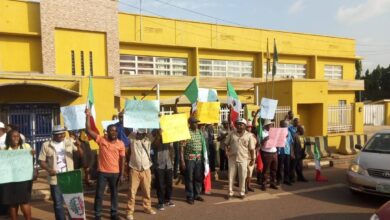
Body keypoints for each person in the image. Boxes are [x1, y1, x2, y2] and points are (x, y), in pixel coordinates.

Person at [85, 109, 125, 220]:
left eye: (115, 131)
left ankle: (114, 214)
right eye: (111, 131)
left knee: (114, 195)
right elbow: (88, 130)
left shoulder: (120, 144)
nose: (114, 132)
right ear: (107, 132)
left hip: (115, 174)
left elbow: (123, 160)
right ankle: (97, 215)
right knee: (99, 195)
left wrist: (122, 174)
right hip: (102, 173)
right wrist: (88, 115)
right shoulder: (101, 140)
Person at [39, 125, 83, 220]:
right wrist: (49, 169)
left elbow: (81, 155)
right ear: (54, 135)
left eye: (63, 133)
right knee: (58, 204)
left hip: (69, 177)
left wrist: (79, 146)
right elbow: (41, 161)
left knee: (72, 201)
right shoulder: (46, 145)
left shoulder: (68, 142)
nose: (62, 136)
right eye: (59, 134)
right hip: (56, 178)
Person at [0, 129, 34, 220]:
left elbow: (31, 160)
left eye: (18, 136)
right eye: (14, 136)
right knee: (12, 203)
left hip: (24, 179)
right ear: (9, 138)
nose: (16, 138)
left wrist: (32, 154)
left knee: (24, 202)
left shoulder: (26, 147)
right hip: (9, 180)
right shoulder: (4, 150)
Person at [125, 129, 156, 220]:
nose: (139, 135)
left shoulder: (149, 138)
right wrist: (126, 117)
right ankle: (129, 212)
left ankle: (147, 208)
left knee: (147, 190)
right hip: (134, 169)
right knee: (132, 192)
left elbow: (157, 131)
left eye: (141, 133)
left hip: (146, 169)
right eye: (138, 133)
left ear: (145, 133)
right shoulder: (133, 138)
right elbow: (126, 130)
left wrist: (157, 119)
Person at [224, 118, 256, 199]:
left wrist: (252, 159)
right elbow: (225, 144)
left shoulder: (249, 135)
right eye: (238, 124)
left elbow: (252, 149)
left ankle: (242, 192)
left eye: (241, 124)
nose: (239, 126)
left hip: (243, 159)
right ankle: (230, 192)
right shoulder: (231, 134)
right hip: (232, 158)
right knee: (231, 176)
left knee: (242, 176)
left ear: (245, 126)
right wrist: (226, 151)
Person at [180, 117, 206, 205]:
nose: (196, 124)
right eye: (194, 123)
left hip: (199, 159)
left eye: (197, 123)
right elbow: (182, 148)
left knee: (198, 177)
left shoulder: (199, 132)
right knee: (189, 178)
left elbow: (203, 145)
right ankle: (190, 196)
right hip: (189, 159)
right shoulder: (186, 133)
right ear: (190, 123)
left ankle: (196, 194)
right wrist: (182, 161)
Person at [151, 129, 175, 211]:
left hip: (168, 165)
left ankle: (167, 200)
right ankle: (160, 203)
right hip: (159, 166)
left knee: (169, 184)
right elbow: (153, 147)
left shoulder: (169, 139)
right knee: (160, 185)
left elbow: (172, 150)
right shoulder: (155, 140)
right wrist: (159, 135)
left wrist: (172, 162)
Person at [260, 120, 278, 191]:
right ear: (266, 126)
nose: (271, 126)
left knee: (274, 169)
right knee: (266, 169)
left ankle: (273, 183)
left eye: (271, 125)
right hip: (266, 153)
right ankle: (264, 184)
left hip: (274, 152)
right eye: (270, 125)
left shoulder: (274, 132)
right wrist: (264, 139)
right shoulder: (262, 132)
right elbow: (259, 143)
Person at [276, 120, 293, 186]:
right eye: (284, 125)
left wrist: (292, 153)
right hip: (280, 152)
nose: (286, 126)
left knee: (287, 166)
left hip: (287, 151)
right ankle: (279, 180)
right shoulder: (277, 132)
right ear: (281, 125)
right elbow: (275, 141)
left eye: (286, 125)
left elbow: (291, 143)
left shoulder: (289, 132)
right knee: (280, 167)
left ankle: (286, 179)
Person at [245, 120, 257, 193]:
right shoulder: (243, 135)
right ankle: (244, 187)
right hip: (245, 156)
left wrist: (257, 150)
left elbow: (258, 144)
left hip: (252, 157)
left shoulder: (253, 135)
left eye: (250, 127)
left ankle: (248, 185)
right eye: (248, 127)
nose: (249, 128)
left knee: (250, 172)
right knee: (244, 173)